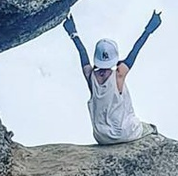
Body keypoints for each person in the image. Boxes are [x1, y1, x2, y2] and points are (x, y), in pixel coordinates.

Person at [63, 9, 162, 144]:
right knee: (150, 128)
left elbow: (82, 52)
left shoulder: (90, 76)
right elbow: (135, 51)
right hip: (123, 133)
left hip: (101, 136)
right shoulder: (119, 74)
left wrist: (73, 33)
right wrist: (149, 30)